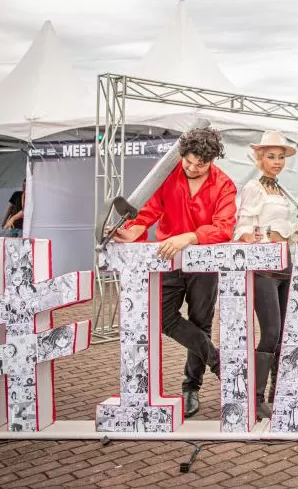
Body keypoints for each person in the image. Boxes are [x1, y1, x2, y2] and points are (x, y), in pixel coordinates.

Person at [114, 127, 236, 418]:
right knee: (162, 317)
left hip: (204, 263)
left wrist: (190, 236)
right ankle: (220, 363)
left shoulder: (225, 185)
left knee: (200, 322)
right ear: (182, 155)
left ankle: (190, 388)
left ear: (213, 161)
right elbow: (148, 212)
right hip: (165, 261)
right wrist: (134, 231)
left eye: (200, 165)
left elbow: (224, 227)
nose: (193, 168)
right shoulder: (167, 176)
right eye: (188, 162)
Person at [234, 129, 298, 419]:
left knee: (284, 333)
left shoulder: (282, 189)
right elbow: (241, 229)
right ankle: (255, 397)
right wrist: (269, 235)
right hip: (264, 267)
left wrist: (297, 228)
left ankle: (280, 391)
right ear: (259, 158)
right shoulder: (254, 188)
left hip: (286, 265)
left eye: (280, 157)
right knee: (271, 331)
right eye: (270, 156)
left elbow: (287, 231)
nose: (277, 162)